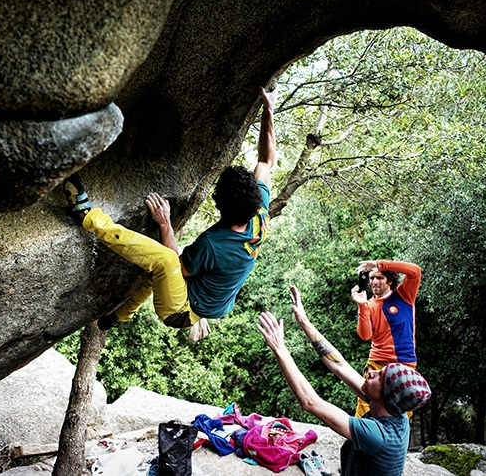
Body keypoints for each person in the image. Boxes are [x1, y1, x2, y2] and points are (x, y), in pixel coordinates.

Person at [63, 87, 277, 339]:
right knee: (161, 269)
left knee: (163, 260)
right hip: (209, 301)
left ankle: (88, 217)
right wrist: (268, 109)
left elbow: (174, 265)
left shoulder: (214, 245)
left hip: (180, 311)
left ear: (220, 207)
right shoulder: (258, 210)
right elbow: (266, 161)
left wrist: (164, 223)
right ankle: (121, 315)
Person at [257, 286, 431, 476]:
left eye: (380, 377)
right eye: (380, 370)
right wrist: (304, 321)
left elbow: (310, 402)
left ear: (386, 395)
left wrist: (279, 348)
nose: (372, 373)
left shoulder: (377, 436)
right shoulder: (393, 408)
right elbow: (340, 365)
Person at [350, 259, 421, 418]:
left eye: (379, 277)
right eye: (372, 278)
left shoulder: (404, 295)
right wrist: (361, 305)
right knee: (365, 408)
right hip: (377, 362)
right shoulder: (367, 305)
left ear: (389, 280)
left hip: (403, 363)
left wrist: (379, 264)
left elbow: (415, 271)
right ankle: (360, 440)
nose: (374, 281)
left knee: (402, 412)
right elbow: (365, 335)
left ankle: (394, 441)